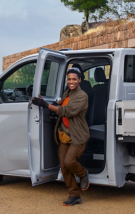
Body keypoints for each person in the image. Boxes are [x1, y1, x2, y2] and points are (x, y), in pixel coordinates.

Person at [31, 68, 90, 206]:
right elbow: (62, 105)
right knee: (63, 165)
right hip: (64, 134)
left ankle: (83, 173)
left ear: (80, 80)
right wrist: (45, 101)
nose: (71, 82)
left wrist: (46, 105)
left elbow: (67, 111)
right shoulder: (67, 93)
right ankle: (74, 195)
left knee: (69, 162)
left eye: (74, 79)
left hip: (77, 136)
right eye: (69, 79)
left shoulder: (82, 95)